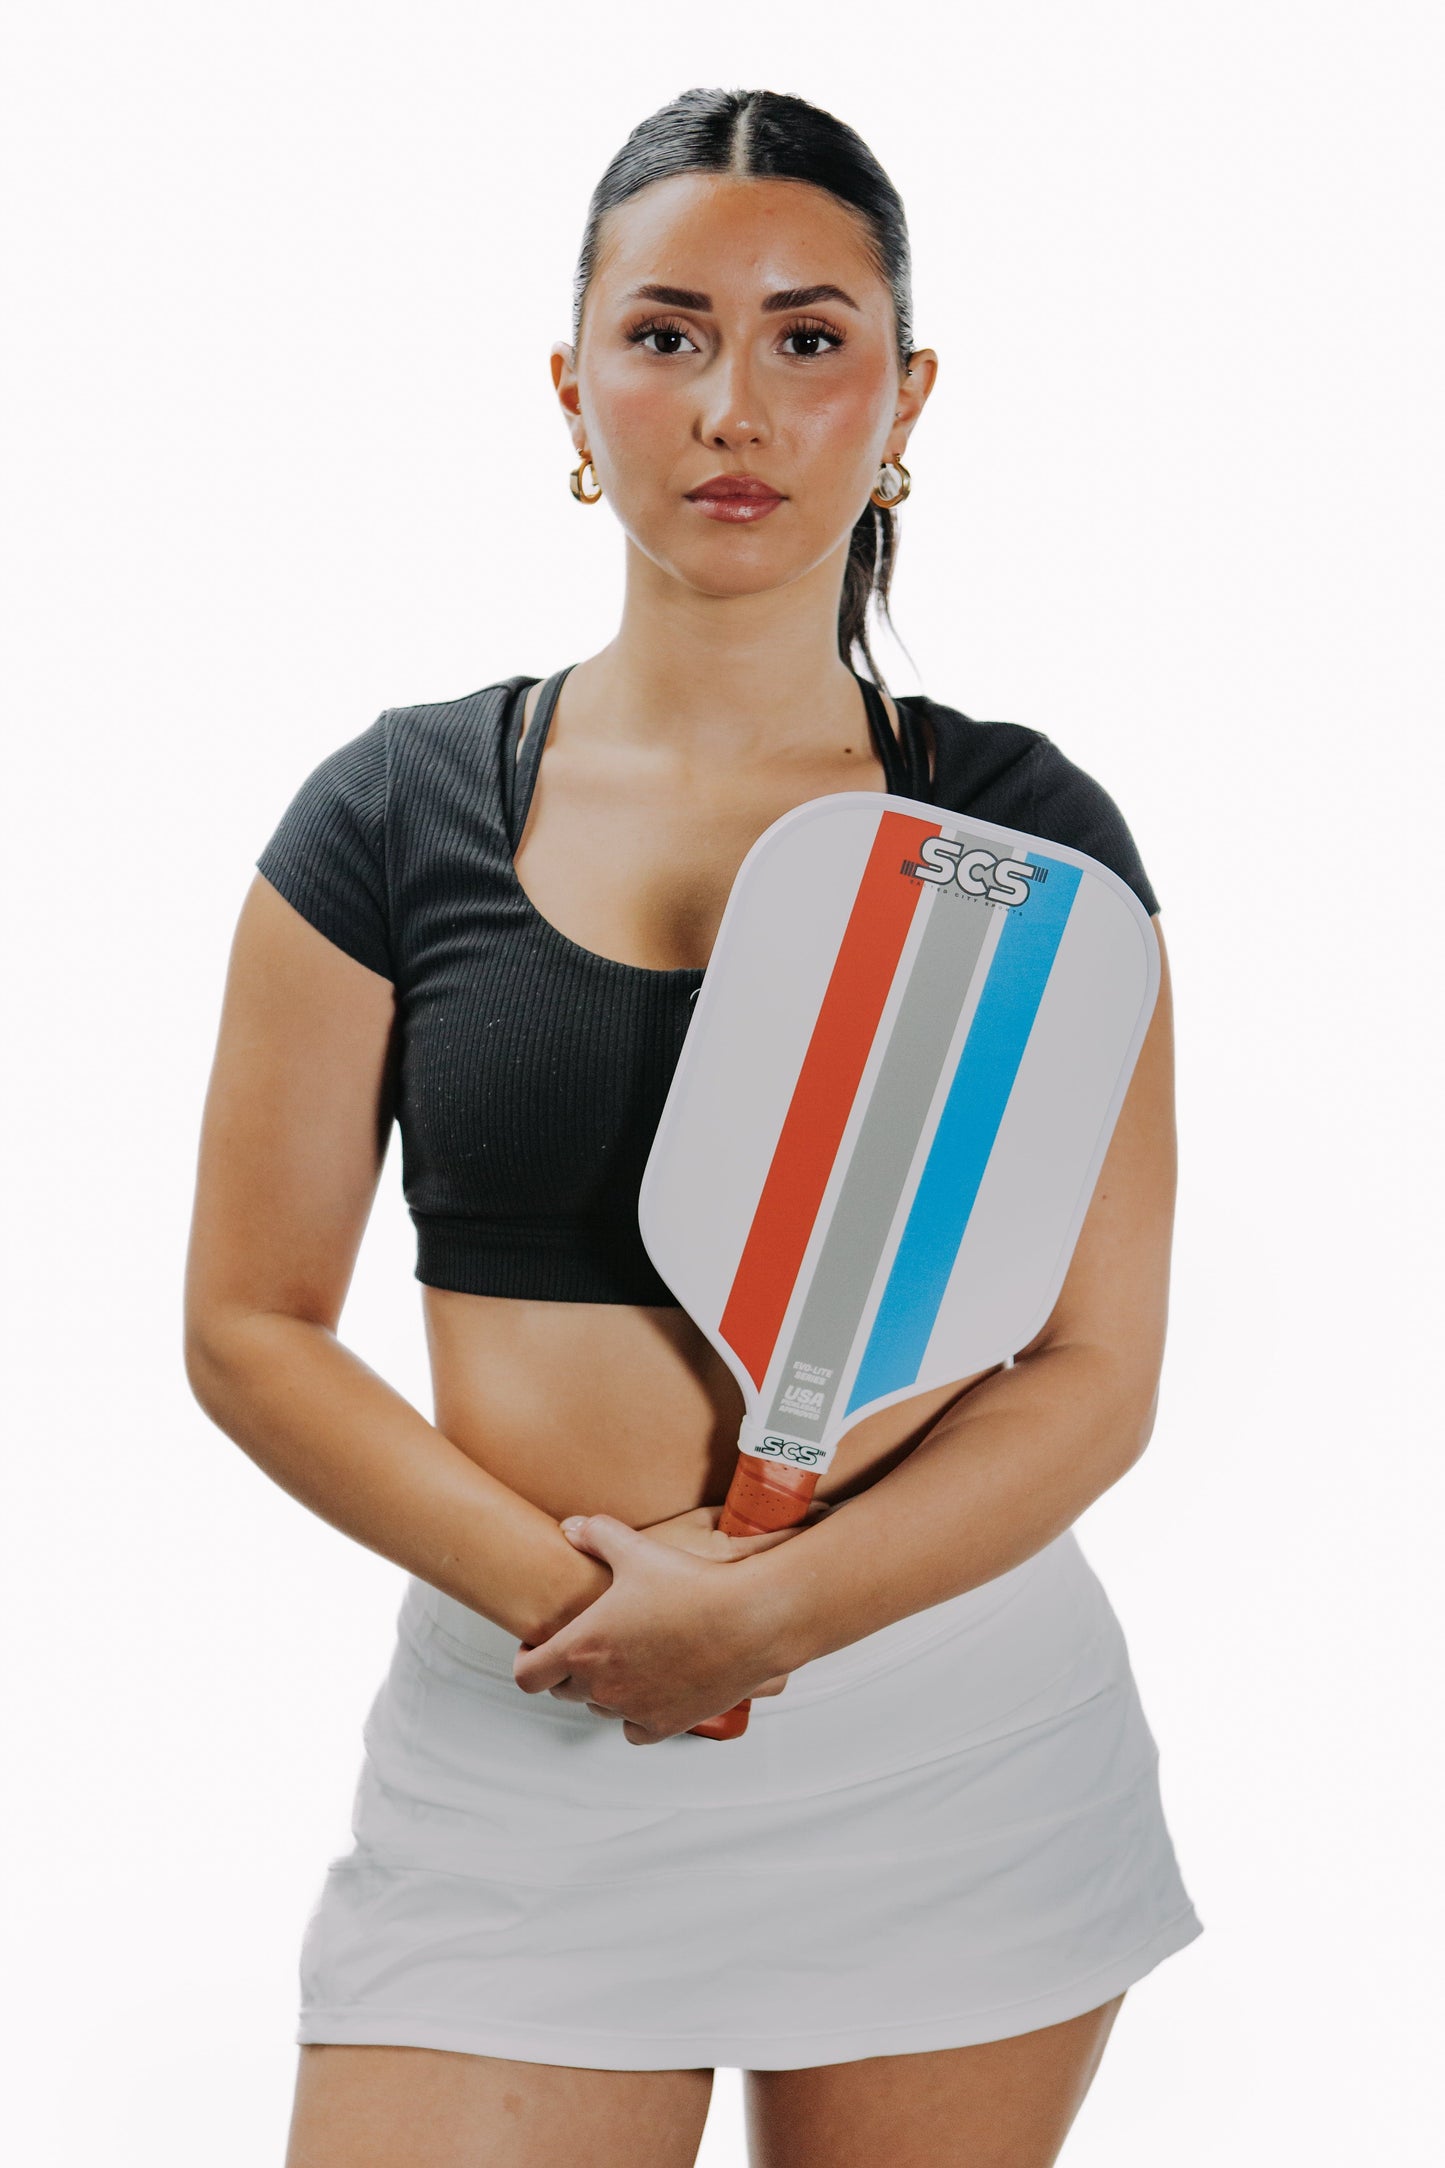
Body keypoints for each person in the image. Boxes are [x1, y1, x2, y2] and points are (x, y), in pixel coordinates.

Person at [184, 85, 1202, 2168]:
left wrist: (772, 1615)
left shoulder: (1022, 839)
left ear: (904, 392)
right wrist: (602, 1619)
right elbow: (251, 1321)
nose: (735, 401)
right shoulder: (394, 812)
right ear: (573, 386)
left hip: (945, 1734)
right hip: (522, 1723)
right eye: (667, 334)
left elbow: (1096, 1370)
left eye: (809, 337)